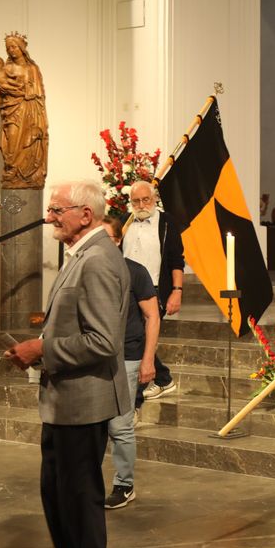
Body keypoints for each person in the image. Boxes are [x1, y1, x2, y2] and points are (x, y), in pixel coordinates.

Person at [5, 180, 130, 548]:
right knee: (57, 497)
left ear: (85, 214)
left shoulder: (97, 261)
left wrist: (42, 350)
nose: (50, 217)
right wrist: (39, 344)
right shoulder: (84, 254)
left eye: (57, 210)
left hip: (84, 401)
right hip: (66, 398)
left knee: (78, 499)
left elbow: (102, 341)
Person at [100, 217, 159, 510]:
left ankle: (124, 484)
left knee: (121, 425)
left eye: (107, 237)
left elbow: (152, 316)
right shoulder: (90, 270)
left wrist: (149, 359)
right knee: (95, 423)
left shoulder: (135, 271)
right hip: (96, 357)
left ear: (118, 241)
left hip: (128, 356)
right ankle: (88, 482)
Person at [122, 180, 182, 402]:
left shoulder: (166, 223)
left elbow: (177, 260)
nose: (141, 205)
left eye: (145, 199)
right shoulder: (124, 222)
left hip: (155, 290)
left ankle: (134, 402)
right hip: (127, 291)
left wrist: (177, 290)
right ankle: (164, 379)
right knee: (138, 338)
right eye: (135, 201)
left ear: (155, 198)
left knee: (140, 338)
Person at [0, 32, 49, 189]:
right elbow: (2, 91)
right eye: (8, 47)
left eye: (14, 46)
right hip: (13, 110)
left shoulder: (33, 68)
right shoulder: (6, 68)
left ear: (22, 48)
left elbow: (40, 94)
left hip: (32, 109)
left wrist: (41, 117)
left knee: (31, 142)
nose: (11, 50)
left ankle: (30, 174)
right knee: (12, 140)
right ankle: (12, 170)